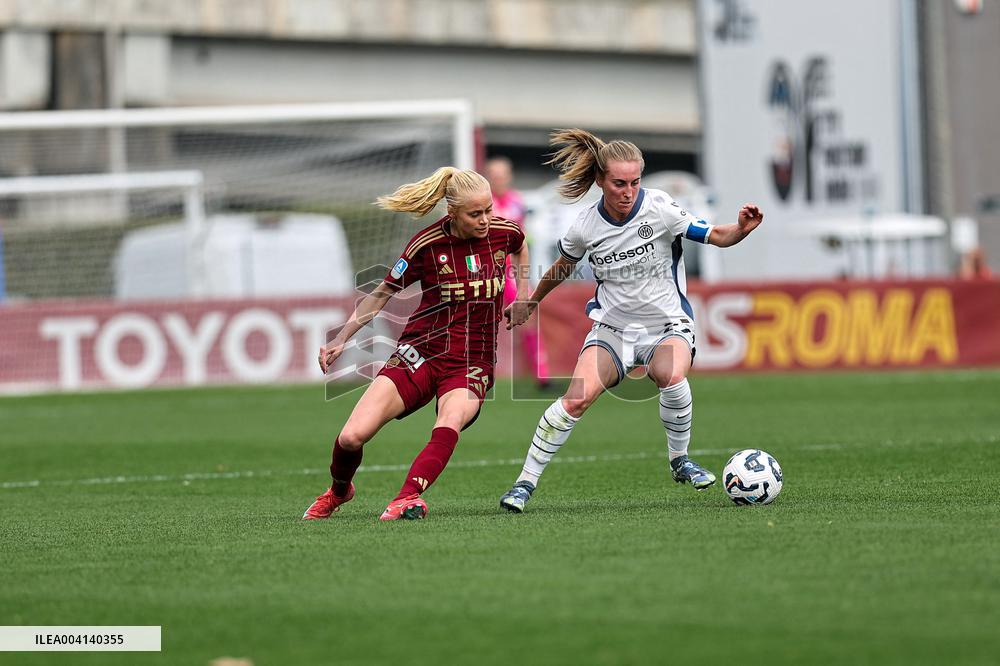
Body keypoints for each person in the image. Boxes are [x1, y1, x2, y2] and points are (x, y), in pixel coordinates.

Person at [498, 129, 763, 513]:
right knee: (575, 400)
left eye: (635, 182)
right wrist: (531, 301)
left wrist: (740, 228)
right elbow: (560, 268)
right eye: (619, 183)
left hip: (667, 326)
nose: (629, 191)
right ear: (601, 181)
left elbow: (716, 235)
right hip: (612, 329)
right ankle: (524, 483)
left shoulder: (660, 208)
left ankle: (680, 460)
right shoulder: (586, 226)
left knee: (671, 375)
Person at [302, 166, 528, 521]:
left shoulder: (504, 232)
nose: (486, 220)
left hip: (473, 360)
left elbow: (521, 246)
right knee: (351, 438)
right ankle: (339, 491)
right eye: (475, 213)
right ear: (452, 213)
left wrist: (524, 296)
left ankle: (407, 496)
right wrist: (341, 338)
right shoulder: (426, 245)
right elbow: (381, 294)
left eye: (488, 210)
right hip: (420, 352)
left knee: (450, 420)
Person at [485, 156, 550, 387]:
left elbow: (522, 240)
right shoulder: (482, 204)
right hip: (484, 273)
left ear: (509, 177)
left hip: (512, 273)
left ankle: (542, 375)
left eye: (502, 175)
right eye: (494, 176)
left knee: (529, 316)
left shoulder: (516, 201)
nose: (499, 180)